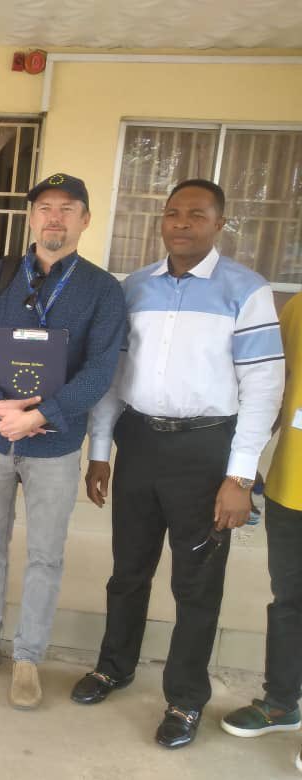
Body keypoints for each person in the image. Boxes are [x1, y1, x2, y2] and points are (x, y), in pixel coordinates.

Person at [74, 179, 285, 749]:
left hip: (206, 452)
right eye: (172, 213)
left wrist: (239, 477)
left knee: (196, 584)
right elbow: (114, 379)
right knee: (128, 570)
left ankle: (185, 698)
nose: (181, 223)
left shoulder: (247, 291)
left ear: (219, 224)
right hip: (139, 442)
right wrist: (100, 453)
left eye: (196, 214)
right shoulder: (135, 287)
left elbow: (263, 387)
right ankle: (113, 667)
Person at [0, 174, 126, 708]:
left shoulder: (102, 289)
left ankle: (28, 655)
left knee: (46, 554)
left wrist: (43, 414)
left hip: (54, 443)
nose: (55, 217)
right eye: (45, 207)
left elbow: (101, 371)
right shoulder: (2, 275)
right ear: (31, 217)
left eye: (67, 208)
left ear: (85, 219)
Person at [220, 289, 302, 775]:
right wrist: (242, 469)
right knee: (289, 600)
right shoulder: (299, 308)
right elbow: (278, 387)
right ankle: (283, 702)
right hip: (293, 486)